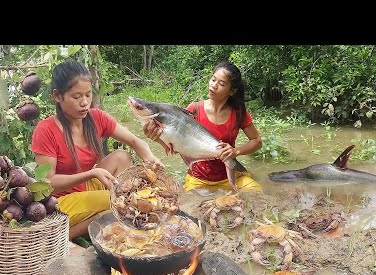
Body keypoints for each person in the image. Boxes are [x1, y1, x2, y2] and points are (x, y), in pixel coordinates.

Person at [31, 60, 162, 243]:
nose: (85, 103)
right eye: (77, 97)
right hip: (60, 201)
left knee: (122, 157)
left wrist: (150, 158)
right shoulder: (46, 130)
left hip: (85, 187)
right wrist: (91, 173)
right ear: (57, 96)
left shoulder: (96, 118)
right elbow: (48, 183)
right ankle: (62, 236)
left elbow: (134, 141)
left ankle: (111, 214)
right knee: (121, 203)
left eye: (88, 94)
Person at [143, 60, 263, 193]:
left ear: (232, 91)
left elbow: (256, 141)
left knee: (257, 194)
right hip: (198, 179)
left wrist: (237, 151)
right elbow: (178, 147)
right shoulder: (193, 110)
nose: (214, 85)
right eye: (213, 79)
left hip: (232, 176)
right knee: (194, 209)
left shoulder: (239, 113)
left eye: (221, 83)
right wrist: (157, 138)